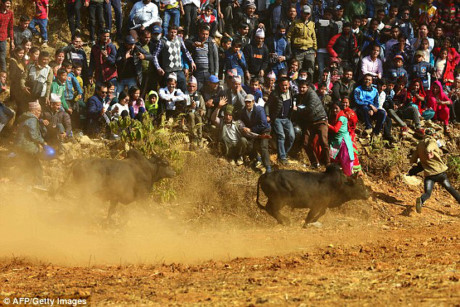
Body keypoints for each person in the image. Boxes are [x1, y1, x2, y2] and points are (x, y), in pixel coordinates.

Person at [410, 132, 460, 213]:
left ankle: (421, 200)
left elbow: (413, 159)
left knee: (427, 193)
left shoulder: (419, 145)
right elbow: (430, 147)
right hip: (440, 174)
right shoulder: (432, 141)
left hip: (429, 175)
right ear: (432, 135)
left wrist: (415, 165)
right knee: (450, 189)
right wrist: (429, 152)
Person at [297, 79, 330, 168]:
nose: (301, 89)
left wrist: (298, 109)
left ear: (307, 87)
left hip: (321, 120)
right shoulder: (300, 96)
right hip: (310, 122)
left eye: (303, 87)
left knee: (323, 142)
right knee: (306, 143)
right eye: (300, 87)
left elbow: (310, 109)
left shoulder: (312, 95)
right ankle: (314, 162)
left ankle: (328, 163)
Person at [153, 25, 196, 93]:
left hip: (179, 70)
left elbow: (186, 51)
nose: (173, 34)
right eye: (171, 32)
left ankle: (185, 103)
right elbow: (155, 55)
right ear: (168, 32)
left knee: (184, 90)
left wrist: (191, 61)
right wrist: (158, 68)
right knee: (167, 92)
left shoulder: (179, 39)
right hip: (168, 71)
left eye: (175, 32)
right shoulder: (162, 41)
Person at [238, 94, 272, 172]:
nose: (247, 104)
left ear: (253, 102)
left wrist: (251, 129)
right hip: (253, 132)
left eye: (249, 102)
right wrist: (243, 127)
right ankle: (257, 158)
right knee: (249, 144)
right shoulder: (243, 111)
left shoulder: (259, 110)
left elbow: (264, 124)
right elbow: (241, 120)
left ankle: (268, 167)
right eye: (246, 102)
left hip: (264, 130)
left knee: (263, 146)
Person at [16, 100, 45, 186]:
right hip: (28, 147)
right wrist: (43, 142)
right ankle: (38, 185)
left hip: (20, 147)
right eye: (38, 111)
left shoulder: (25, 118)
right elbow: (34, 135)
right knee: (37, 167)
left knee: (24, 165)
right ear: (33, 111)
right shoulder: (32, 119)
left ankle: (19, 184)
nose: (40, 113)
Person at [267, 77, 295, 165]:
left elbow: (294, 102)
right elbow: (267, 105)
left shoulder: (291, 93)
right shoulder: (275, 94)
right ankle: (282, 158)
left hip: (287, 118)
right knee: (281, 136)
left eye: (286, 85)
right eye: (282, 86)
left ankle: (283, 153)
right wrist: (267, 115)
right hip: (277, 118)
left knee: (291, 136)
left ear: (289, 85)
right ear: (279, 85)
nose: (284, 87)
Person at [286, 5, 317, 78]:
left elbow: (314, 37)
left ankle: (309, 84)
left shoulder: (312, 24)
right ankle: (296, 85)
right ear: (301, 13)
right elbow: (288, 36)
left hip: (309, 50)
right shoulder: (295, 23)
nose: (306, 15)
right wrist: (289, 48)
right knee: (296, 69)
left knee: (310, 68)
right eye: (304, 13)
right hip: (298, 50)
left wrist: (315, 49)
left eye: (308, 14)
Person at [185, 25, 219, 90]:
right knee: (197, 90)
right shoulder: (194, 40)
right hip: (197, 72)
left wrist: (216, 73)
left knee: (208, 91)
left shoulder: (211, 43)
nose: (205, 36)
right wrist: (193, 44)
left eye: (206, 34)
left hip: (208, 72)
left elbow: (216, 59)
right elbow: (186, 42)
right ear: (199, 33)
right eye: (203, 34)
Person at [328, 102, 355, 176]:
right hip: (337, 140)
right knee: (334, 158)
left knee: (346, 160)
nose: (334, 110)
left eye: (336, 108)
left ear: (340, 109)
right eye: (333, 108)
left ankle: (349, 178)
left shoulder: (341, 117)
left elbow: (336, 129)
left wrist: (327, 124)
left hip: (343, 142)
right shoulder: (335, 116)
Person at [0, 0, 14, 72]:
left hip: (3, 39)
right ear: (2, 3)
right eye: (7, 3)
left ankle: (4, 74)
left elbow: (11, 28)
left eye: (9, 3)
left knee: (2, 57)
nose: (8, 5)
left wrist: (12, 41)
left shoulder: (10, 13)